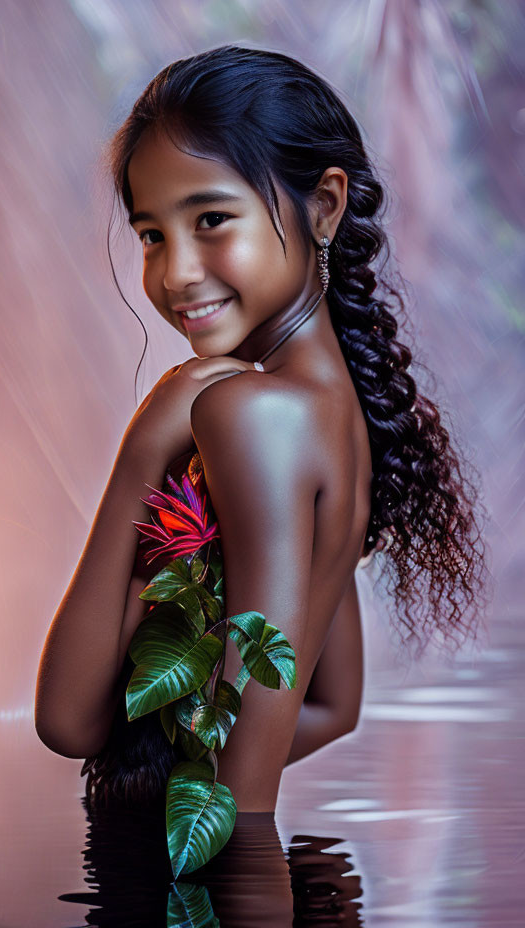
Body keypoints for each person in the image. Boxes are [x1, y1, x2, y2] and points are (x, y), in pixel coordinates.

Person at [34, 45, 492, 815]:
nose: (176, 271)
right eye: (151, 234)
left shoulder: (249, 416)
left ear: (324, 206)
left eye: (211, 219)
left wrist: (142, 453)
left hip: (183, 881)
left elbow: (67, 721)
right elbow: (333, 707)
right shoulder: (331, 412)